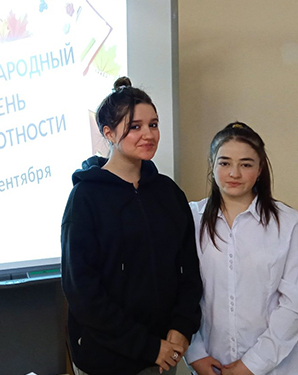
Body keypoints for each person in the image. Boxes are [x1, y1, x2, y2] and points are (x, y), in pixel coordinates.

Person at [61, 77, 203, 375]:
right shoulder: (86, 198)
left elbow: (190, 270)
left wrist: (182, 326)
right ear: (108, 133)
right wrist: (147, 346)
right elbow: (83, 291)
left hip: (163, 354)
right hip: (107, 359)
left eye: (153, 124)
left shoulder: (168, 193)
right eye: (135, 127)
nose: (148, 134)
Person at [185, 122, 298, 375]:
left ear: (260, 169)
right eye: (224, 163)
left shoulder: (286, 222)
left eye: (245, 164)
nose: (234, 173)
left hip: (275, 368)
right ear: (212, 164)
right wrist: (195, 354)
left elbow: (293, 304)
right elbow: (179, 291)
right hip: (210, 364)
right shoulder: (191, 218)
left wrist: (252, 365)